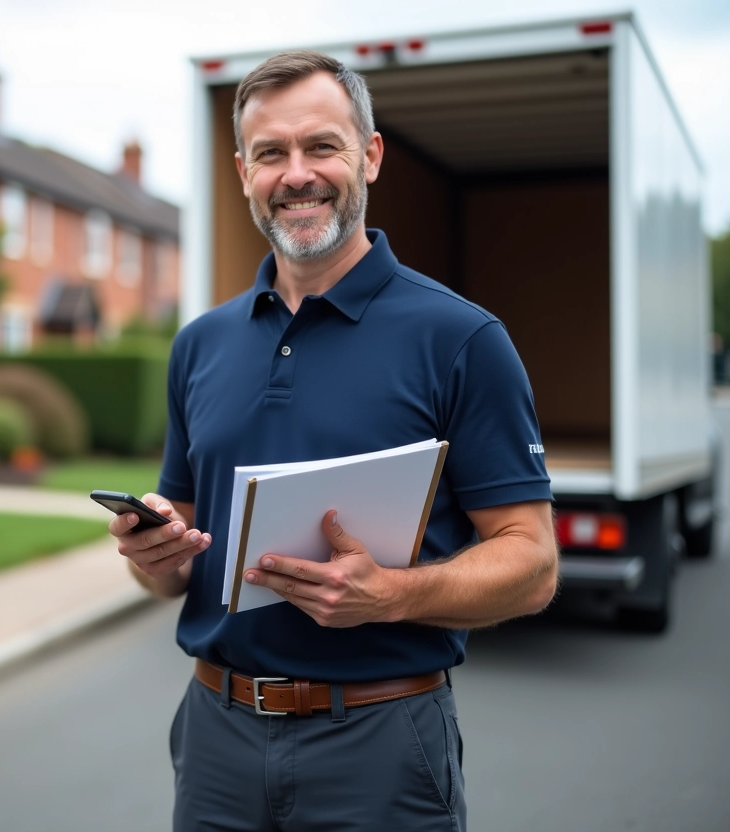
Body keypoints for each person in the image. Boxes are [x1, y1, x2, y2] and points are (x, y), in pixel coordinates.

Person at [109, 50, 558, 831]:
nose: (298, 174)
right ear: (244, 170)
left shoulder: (460, 338)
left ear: (370, 156)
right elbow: (173, 567)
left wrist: (392, 595)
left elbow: (533, 563)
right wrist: (154, 558)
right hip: (216, 738)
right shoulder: (200, 345)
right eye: (273, 154)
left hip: (381, 743)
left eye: (322, 147)